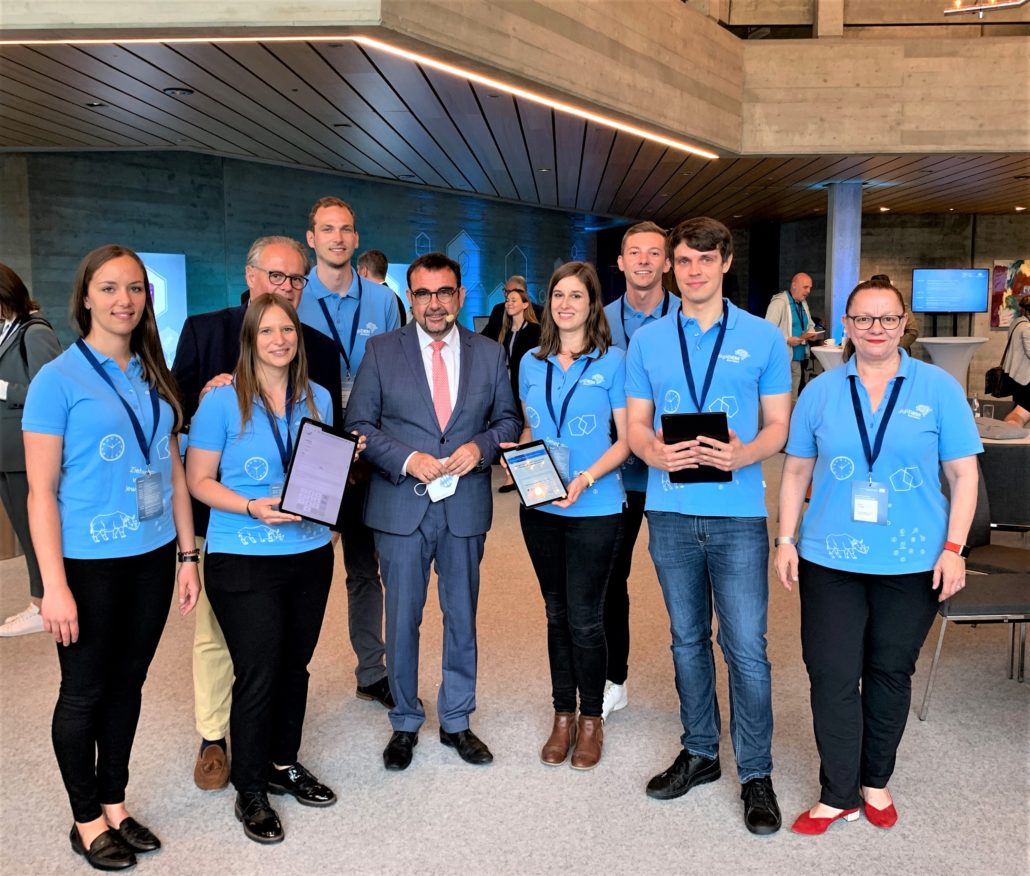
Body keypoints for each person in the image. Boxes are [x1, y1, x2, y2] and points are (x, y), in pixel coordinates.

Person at [775, 277, 981, 835]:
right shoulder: (819, 391)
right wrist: (786, 539)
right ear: (846, 325)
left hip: (913, 561)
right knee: (832, 674)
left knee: (889, 672)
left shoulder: (938, 388)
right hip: (830, 558)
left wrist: (954, 549)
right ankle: (837, 792)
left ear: (903, 324)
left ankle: (875, 781)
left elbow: (964, 475)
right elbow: (796, 470)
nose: (875, 329)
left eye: (887, 318)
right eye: (863, 319)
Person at [23, 244, 200, 871]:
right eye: (109, 287)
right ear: (86, 297)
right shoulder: (58, 379)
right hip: (87, 565)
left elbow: (173, 470)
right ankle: (86, 817)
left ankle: (116, 802)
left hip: (151, 556)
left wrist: (187, 555)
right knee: (84, 692)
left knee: (129, 683)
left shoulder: (153, 372)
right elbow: (39, 492)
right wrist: (53, 586)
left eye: (134, 288)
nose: (123, 300)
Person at [625, 217, 790, 835]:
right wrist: (654, 453)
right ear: (672, 266)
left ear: (724, 262)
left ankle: (756, 773)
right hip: (668, 511)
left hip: (740, 515)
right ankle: (700, 753)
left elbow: (780, 426)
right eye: (683, 261)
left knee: (746, 647)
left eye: (704, 260)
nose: (693, 271)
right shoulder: (648, 341)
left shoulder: (763, 339)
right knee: (686, 639)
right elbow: (636, 426)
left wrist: (742, 453)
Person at [171, 236, 341, 793]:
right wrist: (248, 505)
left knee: (295, 668)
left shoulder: (317, 396)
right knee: (260, 670)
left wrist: (343, 461)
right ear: (249, 337)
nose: (279, 337)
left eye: (287, 329)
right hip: (242, 554)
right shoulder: (220, 399)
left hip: (310, 551)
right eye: (266, 330)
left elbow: (318, 469)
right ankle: (248, 786)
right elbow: (197, 480)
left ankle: (282, 763)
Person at [345, 252, 520, 771]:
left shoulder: (489, 354)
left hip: (464, 503)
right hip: (401, 505)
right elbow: (360, 424)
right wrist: (408, 458)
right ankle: (403, 718)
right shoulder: (380, 351)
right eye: (423, 294)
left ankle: (458, 719)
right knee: (402, 618)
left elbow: (509, 420)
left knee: (461, 615)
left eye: (446, 293)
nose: (435, 304)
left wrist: (482, 448)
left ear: (461, 296)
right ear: (411, 297)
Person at [515, 261, 628, 769]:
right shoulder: (530, 362)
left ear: (592, 305)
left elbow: (627, 441)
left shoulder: (614, 362)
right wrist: (514, 454)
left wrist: (583, 479)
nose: (565, 304)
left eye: (576, 296)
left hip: (595, 504)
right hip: (539, 504)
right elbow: (528, 428)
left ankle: (590, 719)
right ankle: (561, 715)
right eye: (558, 294)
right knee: (554, 612)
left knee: (585, 618)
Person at [297, 196, 400, 713]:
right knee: (302, 562)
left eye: (346, 230)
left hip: (368, 450)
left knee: (365, 567)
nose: (337, 238)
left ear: (356, 240)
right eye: (326, 230)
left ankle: (372, 670)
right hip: (312, 448)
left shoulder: (382, 301)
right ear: (311, 238)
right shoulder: (294, 297)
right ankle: (287, 673)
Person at [600, 220, 677, 718]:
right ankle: (613, 679)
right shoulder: (599, 321)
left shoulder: (690, 318)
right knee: (609, 580)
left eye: (655, 253)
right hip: (618, 477)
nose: (645, 260)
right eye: (635, 252)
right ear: (622, 263)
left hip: (676, 475)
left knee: (685, 583)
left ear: (667, 263)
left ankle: (695, 688)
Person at [0, 263, 62, 637]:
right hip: (7, 452)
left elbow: (49, 392)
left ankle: (44, 600)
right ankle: (38, 599)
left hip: (27, 451)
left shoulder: (34, 332)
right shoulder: (8, 332)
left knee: (35, 528)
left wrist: (4, 389)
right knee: (24, 532)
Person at [496, 284, 540, 493]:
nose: (509, 303)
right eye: (507, 300)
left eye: (514, 300)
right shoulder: (505, 330)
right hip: (506, 386)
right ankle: (511, 475)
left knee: (526, 429)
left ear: (525, 304)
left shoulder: (534, 330)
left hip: (525, 388)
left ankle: (521, 475)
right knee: (509, 428)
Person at [765, 272, 817, 398]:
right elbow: (767, 331)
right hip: (782, 357)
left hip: (797, 357)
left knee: (793, 396)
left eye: (810, 287)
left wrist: (812, 333)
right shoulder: (779, 302)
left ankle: (791, 416)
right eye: (805, 287)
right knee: (780, 394)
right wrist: (787, 339)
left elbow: (809, 324)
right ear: (794, 285)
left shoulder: (803, 303)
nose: (808, 291)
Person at [481, 275, 543, 341]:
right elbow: (486, 335)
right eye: (505, 291)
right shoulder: (498, 310)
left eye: (510, 292)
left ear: (523, 293)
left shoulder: (539, 312)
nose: (506, 295)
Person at [1000, 293, 1030, 427]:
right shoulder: (1027, 327)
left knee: (1017, 407)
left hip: (1015, 374)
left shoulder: (1016, 322)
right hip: (1025, 377)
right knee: (1020, 410)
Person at [357, 248, 407, 326]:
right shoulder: (395, 298)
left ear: (364, 271)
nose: (356, 275)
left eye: (358, 270)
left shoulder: (378, 299)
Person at [869, 274, 920, 351]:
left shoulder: (901, 306)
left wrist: (894, 347)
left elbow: (912, 331)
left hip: (896, 354)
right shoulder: (865, 306)